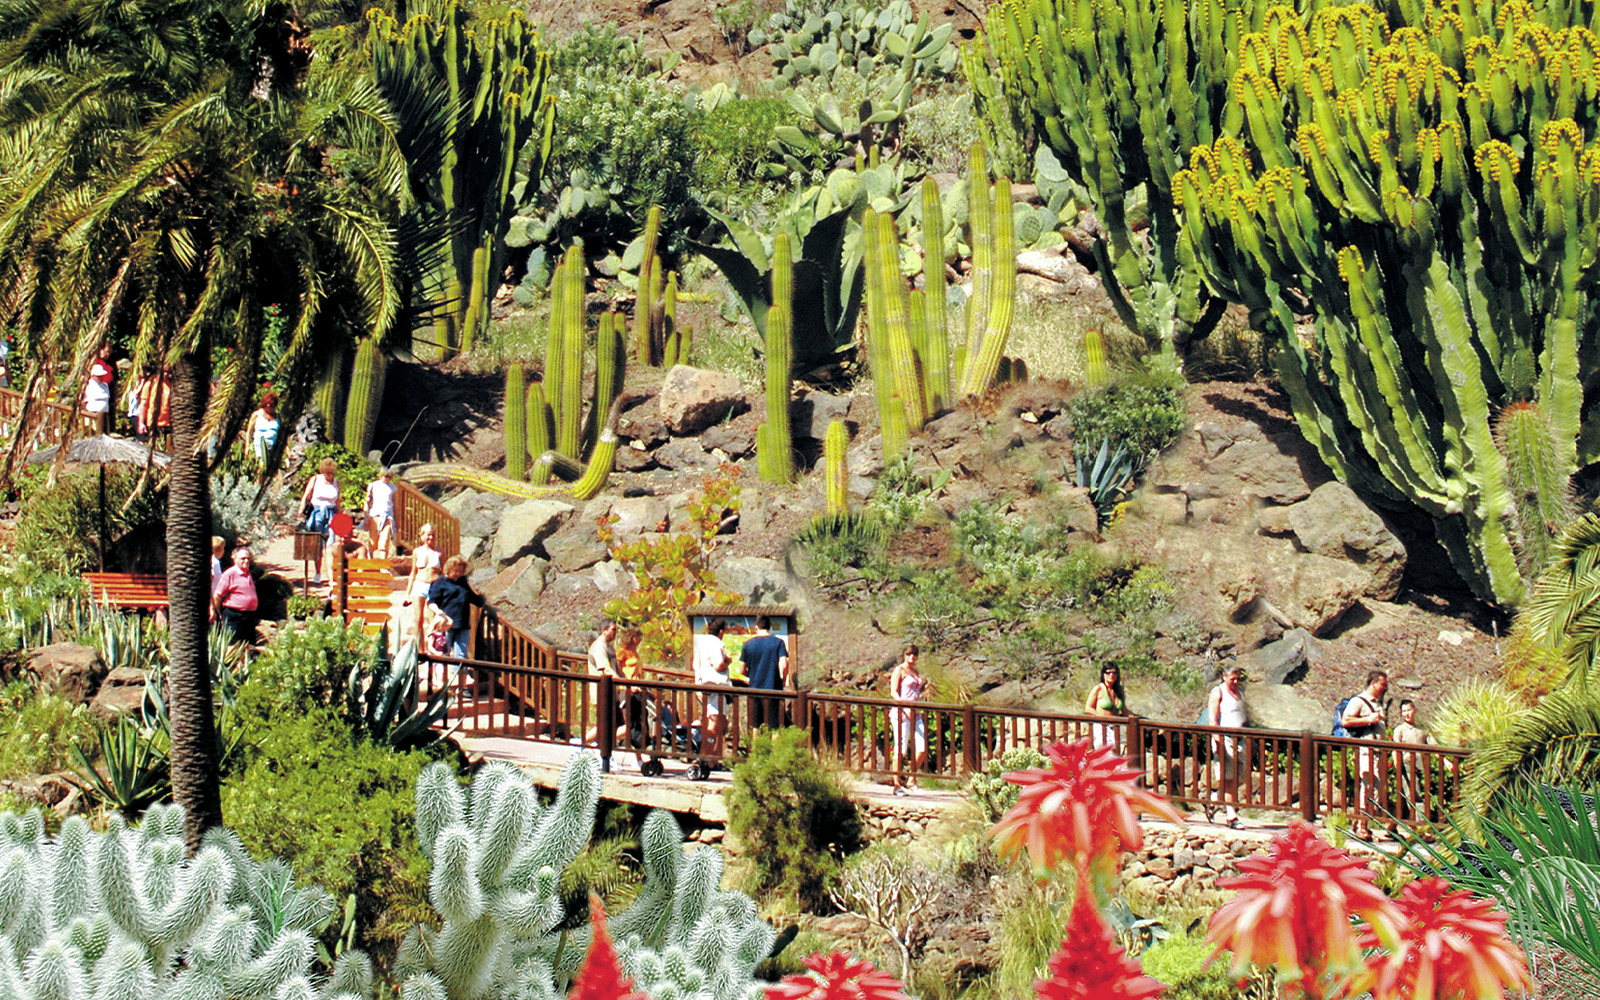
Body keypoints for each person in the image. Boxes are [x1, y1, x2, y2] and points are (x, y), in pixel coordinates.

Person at [1340, 668, 1390, 840]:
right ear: (1374, 683)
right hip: (1366, 751)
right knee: (1369, 787)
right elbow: (1346, 720)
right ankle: (1361, 824)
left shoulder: (1378, 703)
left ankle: (1363, 823)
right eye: (1383, 684)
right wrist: (1369, 719)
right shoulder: (1358, 701)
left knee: (1376, 789)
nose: (1385, 688)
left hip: (1378, 752)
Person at [1204, 663, 1248, 829]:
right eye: (1232, 678)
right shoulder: (1218, 692)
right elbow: (1212, 718)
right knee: (1228, 778)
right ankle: (1231, 816)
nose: (1236, 681)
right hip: (1225, 740)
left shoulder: (1240, 692)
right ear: (1224, 677)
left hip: (1240, 740)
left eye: (1238, 678)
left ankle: (1214, 799)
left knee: (1239, 778)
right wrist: (1216, 739)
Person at [427, 555, 483, 660]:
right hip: (446, 624)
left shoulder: (463, 582)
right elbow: (432, 602)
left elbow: (472, 597)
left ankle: (458, 675)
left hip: (462, 624)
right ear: (449, 569)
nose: (458, 574)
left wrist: (485, 601)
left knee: (461, 657)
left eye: (461, 571)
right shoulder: (439, 583)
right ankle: (442, 677)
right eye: (456, 571)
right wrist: (438, 611)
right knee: (443, 655)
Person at [889, 645, 928, 794]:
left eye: (915, 654)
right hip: (901, 714)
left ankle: (911, 779)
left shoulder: (915, 672)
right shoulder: (900, 670)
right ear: (904, 655)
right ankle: (897, 785)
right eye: (909, 654)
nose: (912, 657)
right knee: (901, 750)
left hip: (916, 713)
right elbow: (893, 691)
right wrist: (903, 706)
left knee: (922, 748)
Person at [740, 615, 789, 730]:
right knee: (775, 726)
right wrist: (783, 679)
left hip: (754, 689)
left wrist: (748, 677)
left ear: (756, 627)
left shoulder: (747, 645)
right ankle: (775, 748)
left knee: (755, 725)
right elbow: (784, 664)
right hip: (773, 689)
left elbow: (741, 669)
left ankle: (757, 747)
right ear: (769, 627)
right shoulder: (778, 643)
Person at [693, 620, 731, 768]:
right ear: (721, 631)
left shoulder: (700, 642)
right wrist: (728, 661)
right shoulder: (716, 643)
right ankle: (706, 758)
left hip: (704, 685)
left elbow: (696, 665)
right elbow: (718, 664)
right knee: (714, 724)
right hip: (717, 687)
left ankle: (713, 757)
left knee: (718, 722)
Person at [299, 457, 340, 585]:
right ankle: (317, 572)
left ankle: (331, 575)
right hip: (317, 511)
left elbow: (338, 501)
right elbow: (306, 496)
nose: (328, 475)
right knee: (317, 543)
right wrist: (301, 510)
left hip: (331, 512)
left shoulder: (336, 482)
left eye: (331, 472)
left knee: (331, 543)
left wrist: (341, 516)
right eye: (326, 472)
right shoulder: (316, 479)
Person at [210, 546, 259, 644]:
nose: (246, 560)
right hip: (234, 615)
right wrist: (218, 614)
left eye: (248, 558)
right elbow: (218, 595)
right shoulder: (229, 574)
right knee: (234, 645)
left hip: (249, 616)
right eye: (243, 558)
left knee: (250, 645)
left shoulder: (248, 574)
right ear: (235, 559)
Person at [404, 522, 442, 644]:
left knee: (433, 619)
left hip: (434, 585)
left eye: (433, 535)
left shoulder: (440, 552)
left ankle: (433, 647)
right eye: (428, 535)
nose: (431, 538)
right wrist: (407, 593)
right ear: (422, 536)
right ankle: (419, 649)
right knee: (418, 618)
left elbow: (444, 571)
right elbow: (413, 572)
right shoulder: (417, 552)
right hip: (419, 585)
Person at [1085, 663, 1129, 749]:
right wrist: (1101, 717)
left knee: (1116, 752)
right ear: (1103, 674)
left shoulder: (1117, 692)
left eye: (1114, 673)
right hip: (1101, 726)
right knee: (1104, 751)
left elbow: (1124, 711)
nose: (1111, 675)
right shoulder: (1099, 688)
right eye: (1108, 673)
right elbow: (1088, 708)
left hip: (1115, 727)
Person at [363, 468, 396, 559]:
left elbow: (395, 503)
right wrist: (366, 517)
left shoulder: (393, 488)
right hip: (375, 515)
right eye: (384, 476)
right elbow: (367, 501)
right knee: (373, 540)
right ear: (380, 475)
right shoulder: (374, 485)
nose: (386, 478)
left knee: (384, 540)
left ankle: (383, 564)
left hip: (388, 516)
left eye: (388, 476)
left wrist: (396, 519)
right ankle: (371, 560)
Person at [83, 344, 113, 431]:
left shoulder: (105, 385)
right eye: (98, 375)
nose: (100, 377)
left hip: (104, 412)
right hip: (93, 412)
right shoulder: (90, 385)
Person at [246, 392, 280, 466]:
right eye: (269, 405)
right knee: (261, 467)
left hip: (271, 450)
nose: (270, 407)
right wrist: (247, 446)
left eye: (272, 406)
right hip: (259, 449)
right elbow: (249, 431)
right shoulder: (257, 414)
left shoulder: (277, 417)